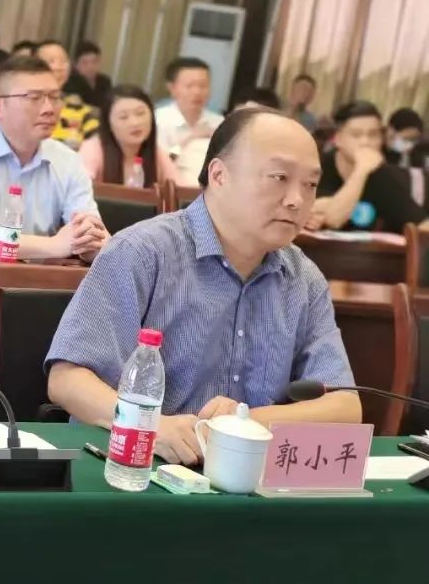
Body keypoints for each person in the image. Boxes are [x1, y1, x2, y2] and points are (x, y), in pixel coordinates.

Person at [46, 108, 360, 465]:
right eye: (279, 177)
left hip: (243, 474)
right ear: (219, 174)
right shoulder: (141, 252)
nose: (296, 200)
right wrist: (151, 426)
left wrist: (242, 423)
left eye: (310, 185)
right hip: (134, 468)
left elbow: (345, 405)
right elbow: (66, 379)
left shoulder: (303, 277)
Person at [0, 55, 108, 260]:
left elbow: (95, 235)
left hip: (33, 277)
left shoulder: (67, 160)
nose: (49, 109)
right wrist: (53, 245)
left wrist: (91, 245)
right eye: (34, 98)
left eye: (55, 97)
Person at [309, 101, 427, 234]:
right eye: (356, 135)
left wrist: (329, 205)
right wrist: (361, 171)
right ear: (338, 139)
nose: (365, 142)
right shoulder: (317, 166)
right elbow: (334, 219)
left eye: (373, 134)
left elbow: (420, 223)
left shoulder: (383, 175)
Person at [78, 85, 177, 187]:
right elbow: (77, 187)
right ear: (108, 124)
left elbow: (181, 189)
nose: (135, 123)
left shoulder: (157, 154)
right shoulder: (93, 148)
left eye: (140, 113)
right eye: (123, 117)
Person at [155, 57, 223, 187]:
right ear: (172, 88)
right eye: (189, 86)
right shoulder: (159, 121)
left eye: (203, 86)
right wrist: (191, 138)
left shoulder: (219, 122)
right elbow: (157, 165)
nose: (197, 92)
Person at [35, 40, 98, 150]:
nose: (59, 67)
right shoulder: (22, 105)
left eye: (64, 61)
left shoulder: (81, 111)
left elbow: (94, 148)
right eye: (51, 61)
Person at [64, 41, 112, 107]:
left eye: (94, 62)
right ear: (75, 64)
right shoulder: (69, 83)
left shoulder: (105, 81)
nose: (90, 67)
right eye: (85, 63)